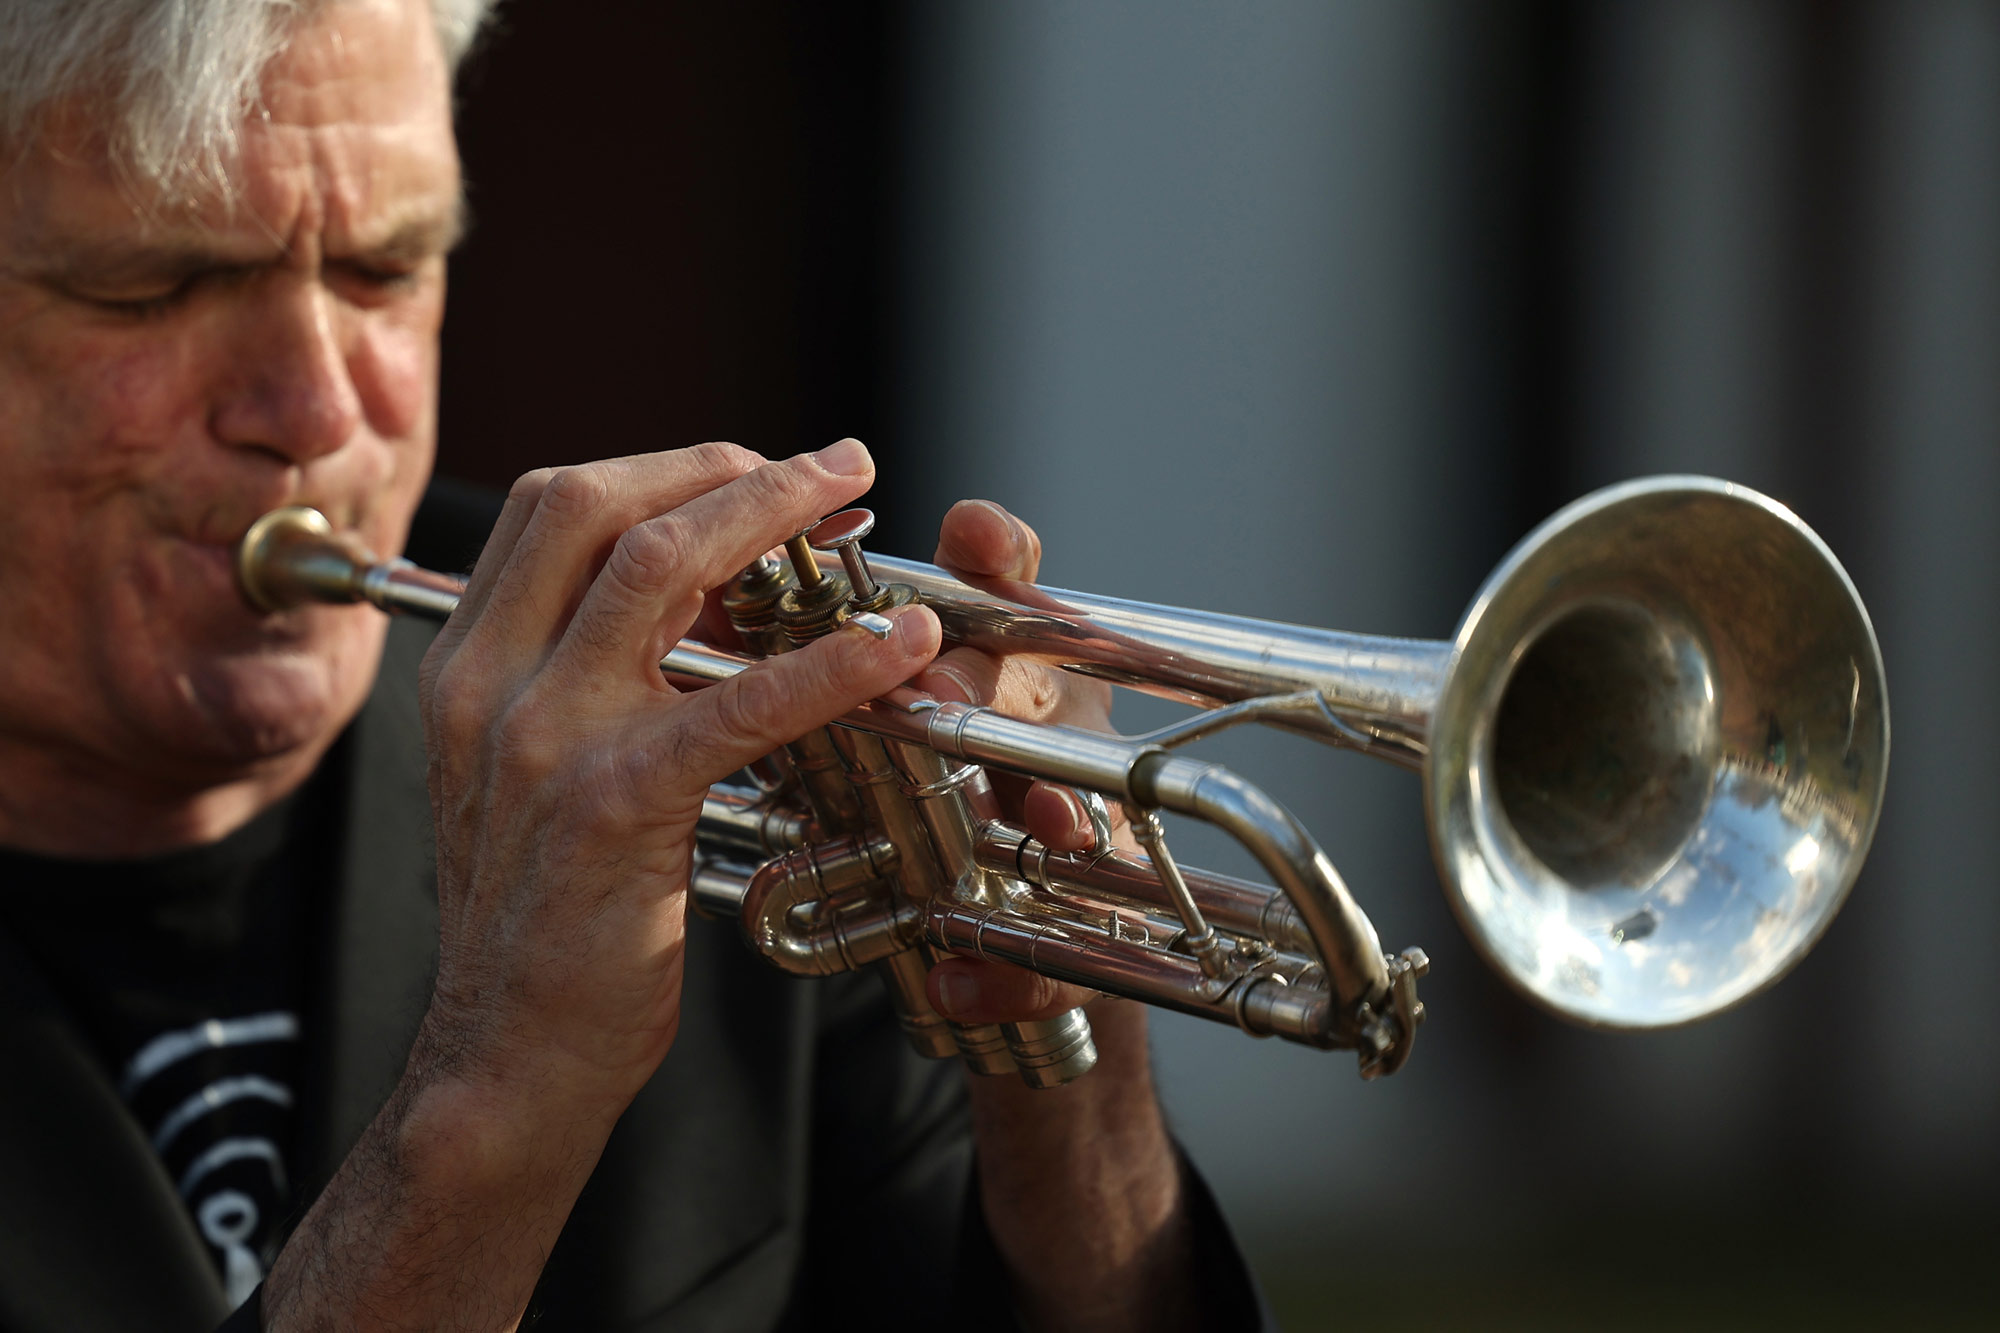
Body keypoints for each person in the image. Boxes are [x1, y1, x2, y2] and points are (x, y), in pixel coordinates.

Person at [0, 2, 1264, 1329]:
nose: (321, 411)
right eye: (151, 290)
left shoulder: (687, 736)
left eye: (385, 270)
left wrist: (1067, 1047)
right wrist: (496, 1103)